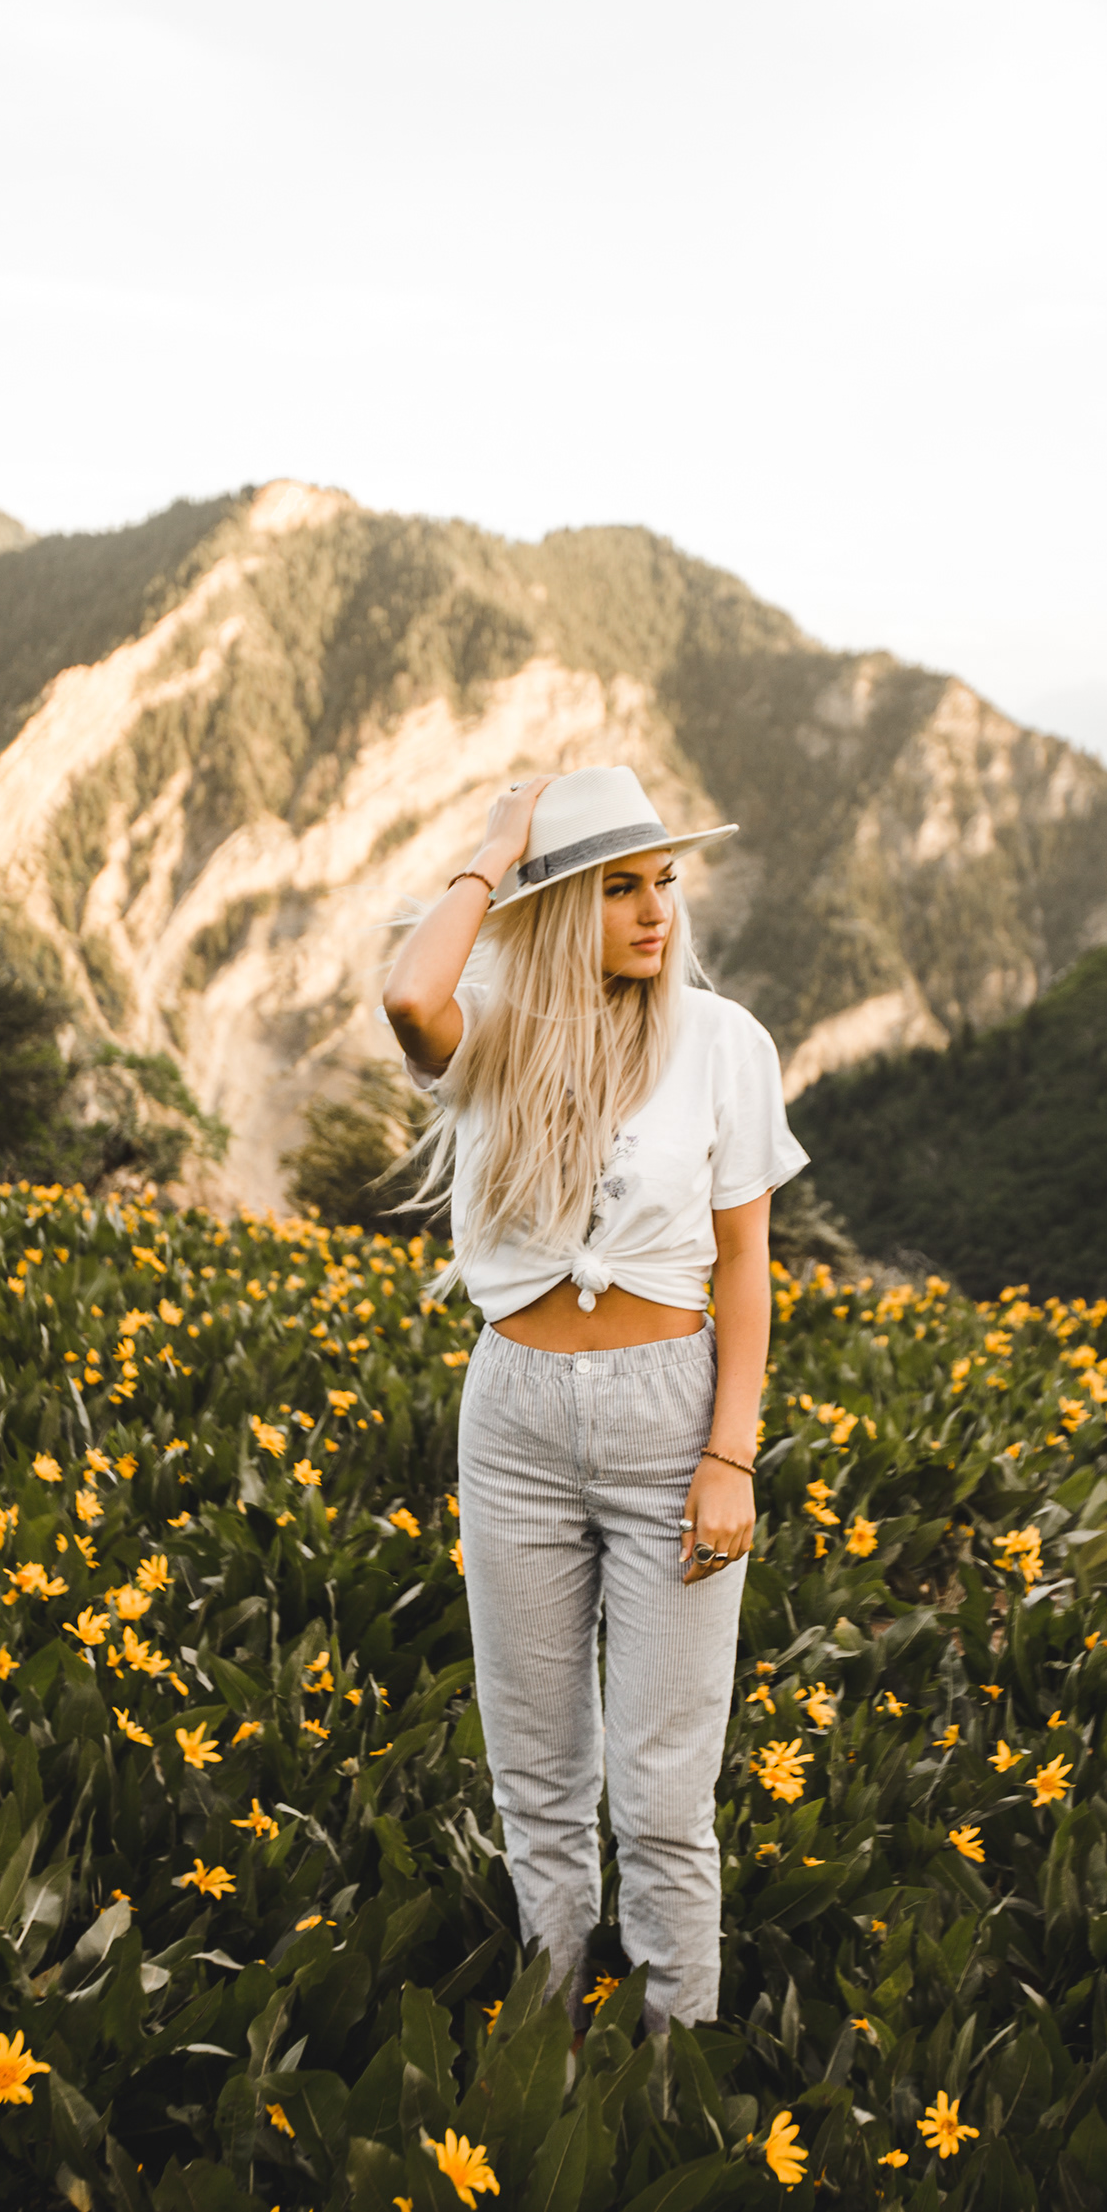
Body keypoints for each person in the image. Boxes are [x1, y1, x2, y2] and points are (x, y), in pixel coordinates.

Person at [379, 764, 810, 2034]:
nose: (655, 911)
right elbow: (411, 992)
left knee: (666, 1788)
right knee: (539, 1771)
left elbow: (745, 1267)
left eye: (663, 881)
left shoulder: (724, 1043)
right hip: (512, 1416)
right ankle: (553, 2050)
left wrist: (730, 1457)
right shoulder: (502, 1031)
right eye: (619, 888)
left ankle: (676, 2069)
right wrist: (496, 849)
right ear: (562, 906)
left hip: (669, 1416)